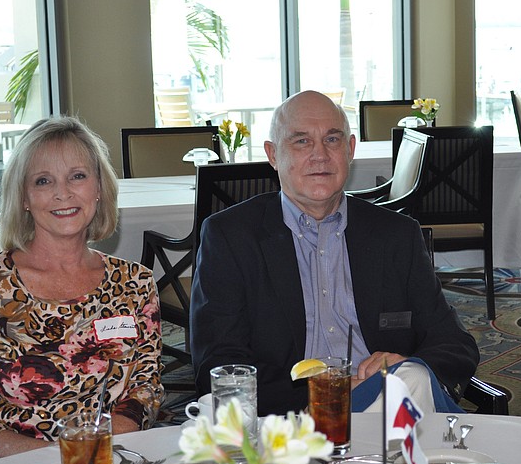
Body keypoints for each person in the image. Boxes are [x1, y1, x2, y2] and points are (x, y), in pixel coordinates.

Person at [190, 90, 479, 416]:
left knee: (409, 379)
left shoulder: (396, 234)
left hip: (396, 407)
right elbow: (219, 363)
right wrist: (330, 394)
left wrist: (409, 365)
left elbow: (455, 345)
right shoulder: (231, 237)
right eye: (301, 141)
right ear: (272, 155)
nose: (320, 155)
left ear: (350, 149)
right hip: (294, 420)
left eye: (332, 140)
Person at [0, 116, 163, 462]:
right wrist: (56, 460)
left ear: (99, 187)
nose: (63, 193)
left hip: (109, 462)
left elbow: (144, 393)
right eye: (44, 181)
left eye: (78, 176)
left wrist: (89, 454)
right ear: (24, 198)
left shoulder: (135, 283)